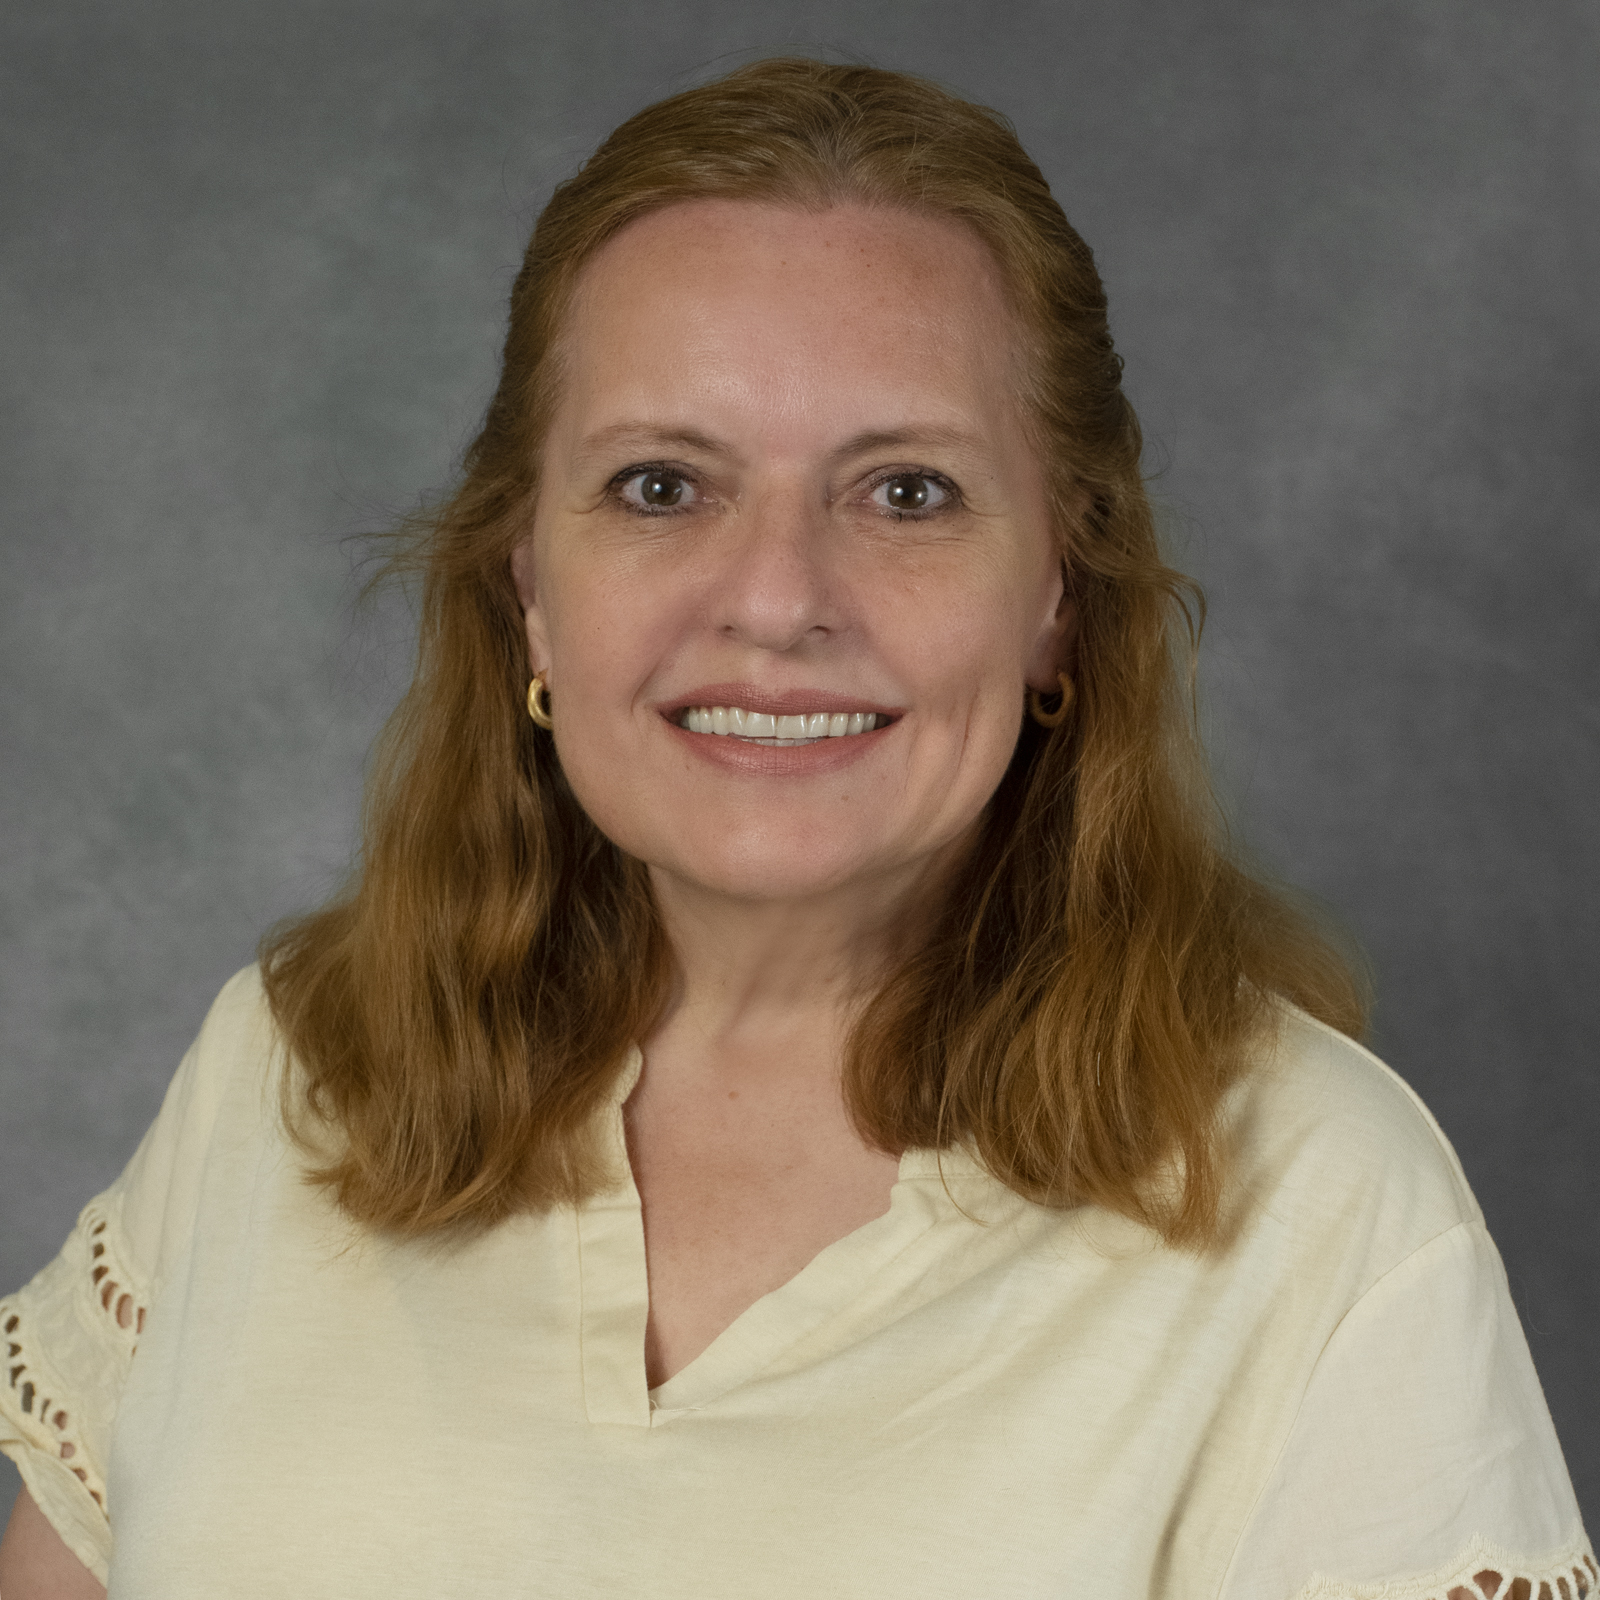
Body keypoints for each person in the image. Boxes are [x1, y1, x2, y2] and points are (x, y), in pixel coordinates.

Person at [0, 57, 1589, 1600]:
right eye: (659, 488)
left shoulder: (1316, 1206)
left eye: (904, 492)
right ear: (529, 591)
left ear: (1058, 597)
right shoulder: (284, 1077)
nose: (774, 601)